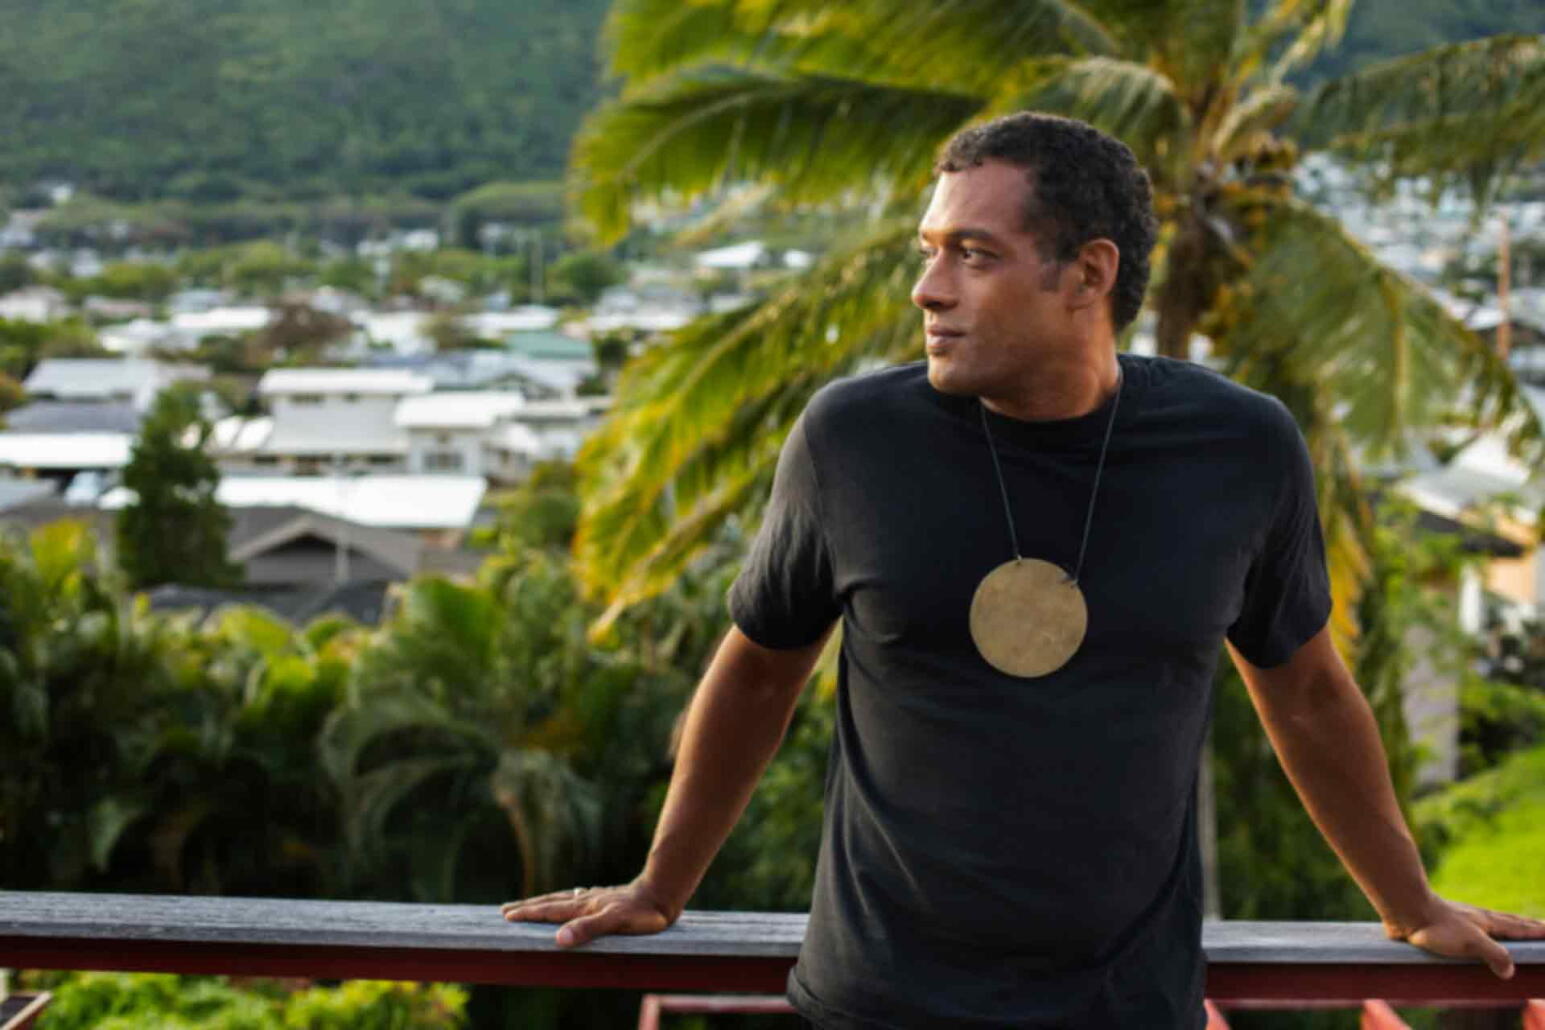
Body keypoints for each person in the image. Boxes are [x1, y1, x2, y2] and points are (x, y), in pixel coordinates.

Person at [502, 113, 1545, 1028]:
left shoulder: (1239, 448)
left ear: (1087, 274)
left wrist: (1409, 903)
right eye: (929, 251)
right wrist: (660, 885)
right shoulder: (852, 440)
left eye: (972, 255)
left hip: (1124, 1008)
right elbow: (758, 672)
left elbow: (1308, 694)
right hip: (882, 1001)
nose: (926, 289)